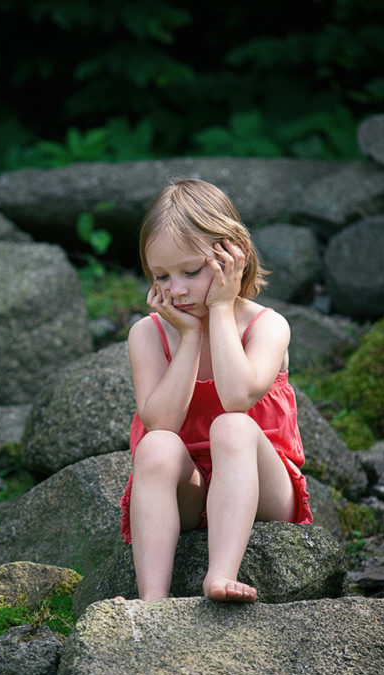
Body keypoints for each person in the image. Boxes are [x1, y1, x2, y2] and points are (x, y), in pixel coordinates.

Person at [119, 178, 313, 603]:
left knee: (233, 428)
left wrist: (222, 308)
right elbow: (161, 423)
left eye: (192, 271)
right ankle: (152, 598)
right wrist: (187, 338)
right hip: (188, 492)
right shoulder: (149, 335)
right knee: (156, 447)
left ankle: (220, 574)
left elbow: (236, 398)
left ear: (233, 256)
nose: (178, 289)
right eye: (162, 276)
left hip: (261, 488)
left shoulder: (267, 326)